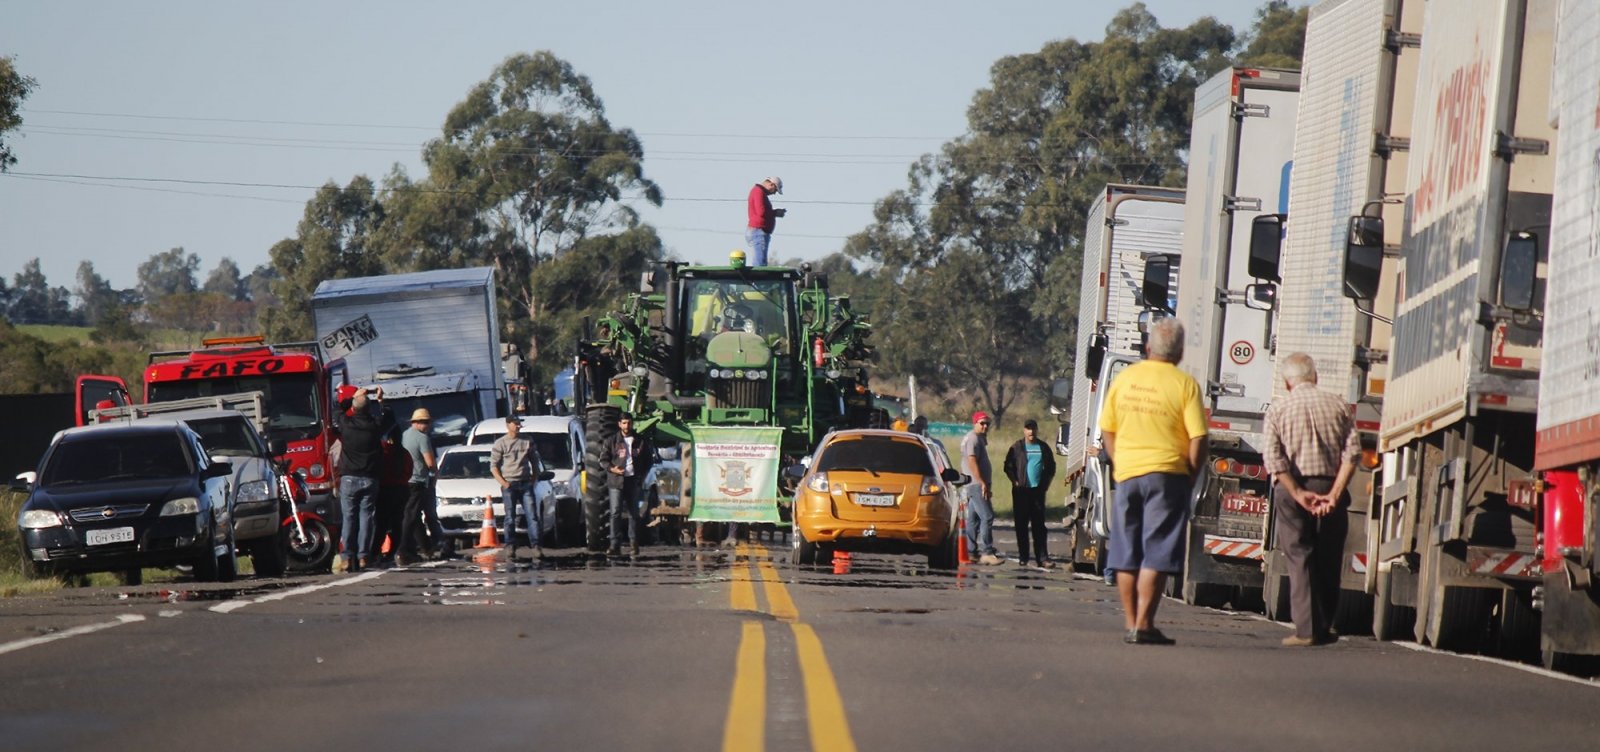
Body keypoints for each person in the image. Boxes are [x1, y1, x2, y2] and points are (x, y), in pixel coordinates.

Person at [1098, 317, 1207, 645]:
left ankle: (1132, 622)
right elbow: (1199, 437)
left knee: (1126, 551)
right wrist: (1190, 472)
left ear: (1148, 347)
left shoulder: (1126, 378)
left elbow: (1107, 428)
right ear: (1180, 351)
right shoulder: (1185, 384)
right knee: (1157, 551)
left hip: (1128, 474)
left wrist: (1120, 461)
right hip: (1167, 474)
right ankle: (1145, 624)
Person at [1263, 352, 1360, 647]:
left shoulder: (1278, 410)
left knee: (1298, 553)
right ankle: (1324, 625)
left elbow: (1274, 459)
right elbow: (1353, 453)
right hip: (1330, 485)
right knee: (1329, 557)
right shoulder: (1339, 404)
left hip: (1293, 489)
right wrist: (1335, 493)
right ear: (1314, 377)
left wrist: (1297, 492)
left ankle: (1306, 630)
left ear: (1287, 382)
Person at [335, 386, 386, 573]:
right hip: (370, 477)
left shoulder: (346, 424)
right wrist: (380, 400)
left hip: (349, 477)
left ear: (354, 409)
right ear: (369, 409)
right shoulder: (375, 426)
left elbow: (337, 409)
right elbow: (387, 417)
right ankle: (363, 555)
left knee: (348, 517)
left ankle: (347, 557)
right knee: (367, 517)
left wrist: (353, 396)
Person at [1004, 419, 1057, 569]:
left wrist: (1045, 484)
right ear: (1024, 430)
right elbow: (1008, 466)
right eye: (1028, 428)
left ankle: (1042, 557)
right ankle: (1023, 557)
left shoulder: (1043, 447)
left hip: (1037, 492)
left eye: (1033, 428)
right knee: (1021, 525)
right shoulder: (1017, 447)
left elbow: (1051, 467)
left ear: (1037, 429)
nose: (1031, 432)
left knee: (1039, 525)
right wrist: (1015, 481)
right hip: (1021, 491)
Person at [601, 412, 655, 557]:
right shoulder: (612, 441)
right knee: (615, 512)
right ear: (619, 424)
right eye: (624, 423)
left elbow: (649, 461)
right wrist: (613, 469)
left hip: (633, 481)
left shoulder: (640, 441)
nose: (627, 426)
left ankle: (633, 544)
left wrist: (641, 477)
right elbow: (603, 460)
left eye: (629, 423)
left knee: (634, 514)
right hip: (616, 482)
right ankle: (614, 545)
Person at [490, 415, 543, 558]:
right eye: (515, 423)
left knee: (532, 516)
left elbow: (534, 461)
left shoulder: (527, 441)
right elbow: (493, 466)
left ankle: (536, 545)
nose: (518, 426)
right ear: (508, 425)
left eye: (519, 423)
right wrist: (504, 483)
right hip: (510, 484)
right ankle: (510, 545)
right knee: (510, 517)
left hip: (525, 483)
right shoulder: (500, 443)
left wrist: (534, 479)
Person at [399, 408, 445, 565]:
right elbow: (430, 463)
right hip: (418, 480)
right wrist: (435, 474)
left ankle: (426, 547)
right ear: (418, 423)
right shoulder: (422, 438)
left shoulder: (404, 435)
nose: (428, 426)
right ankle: (403, 549)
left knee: (415, 516)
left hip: (404, 480)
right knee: (411, 516)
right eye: (426, 422)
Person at [961, 411, 1003, 566]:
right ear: (975, 423)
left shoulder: (979, 438)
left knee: (973, 519)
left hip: (976, 484)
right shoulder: (973, 439)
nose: (985, 426)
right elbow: (971, 461)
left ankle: (971, 551)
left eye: (987, 424)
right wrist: (982, 482)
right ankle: (987, 551)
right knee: (987, 516)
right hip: (976, 484)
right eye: (982, 423)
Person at [374, 422, 411, 567]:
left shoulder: (383, 450)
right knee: (397, 522)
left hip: (384, 489)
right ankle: (394, 550)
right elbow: (409, 472)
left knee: (381, 522)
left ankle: (375, 550)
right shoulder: (404, 453)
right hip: (401, 489)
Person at [745, 176, 786, 266]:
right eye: (775, 190)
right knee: (759, 263)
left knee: (761, 262)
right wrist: (775, 212)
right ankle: (757, 279)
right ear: (771, 184)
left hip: (758, 231)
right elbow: (761, 212)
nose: (774, 193)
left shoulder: (759, 192)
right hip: (758, 231)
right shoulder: (758, 192)